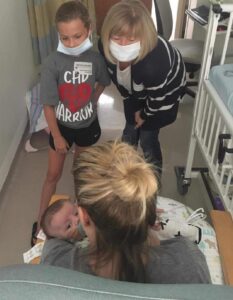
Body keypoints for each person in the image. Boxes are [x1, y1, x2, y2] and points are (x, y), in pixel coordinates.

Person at [41, 140, 211, 284]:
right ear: (148, 215)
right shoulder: (188, 262)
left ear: (84, 217)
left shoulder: (56, 263)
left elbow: (51, 237)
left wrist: (80, 228)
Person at [32, 1, 111, 245]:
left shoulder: (96, 59)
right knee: (52, 174)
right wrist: (56, 136)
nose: (71, 43)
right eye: (65, 38)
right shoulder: (52, 63)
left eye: (77, 36)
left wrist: (94, 100)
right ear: (59, 35)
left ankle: (80, 220)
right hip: (61, 129)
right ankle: (40, 223)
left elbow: (102, 81)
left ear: (88, 30)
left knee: (80, 172)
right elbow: (47, 105)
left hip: (87, 127)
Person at [98, 0, 186, 175]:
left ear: (143, 38)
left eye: (131, 39)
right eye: (116, 38)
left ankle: (154, 182)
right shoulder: (104, 47)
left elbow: (158, 97)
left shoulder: (154, 62)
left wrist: (145, 114)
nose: (122, 45)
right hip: (138, 91)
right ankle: (123, 174)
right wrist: (132, 105)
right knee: (129, 132)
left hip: (163, 95)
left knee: (148, 138)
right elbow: (120, 82)